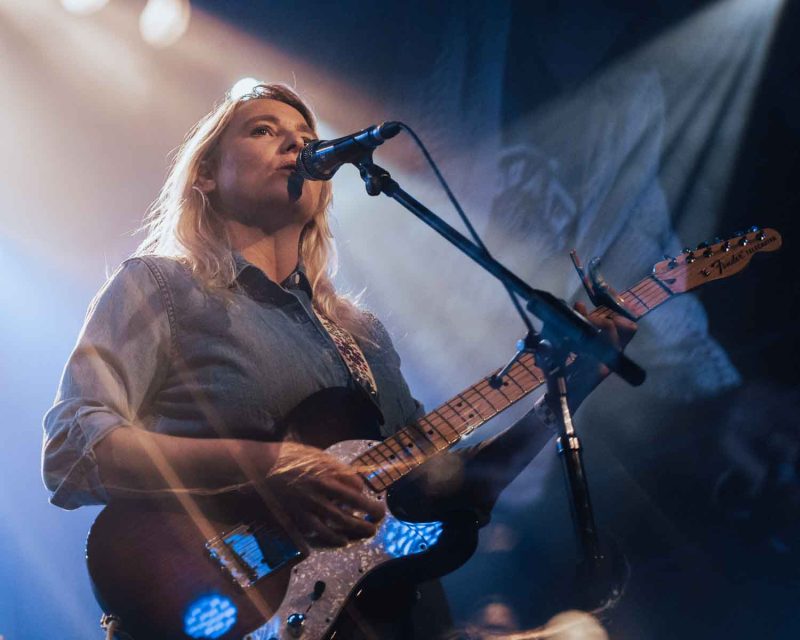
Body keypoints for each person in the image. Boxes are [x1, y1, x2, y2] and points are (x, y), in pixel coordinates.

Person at [42, 82, 635, 639]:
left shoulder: (361, 334)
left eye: (305, 134)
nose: (296, 143)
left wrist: (568, 389)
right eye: (263, 130)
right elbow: (74, 449)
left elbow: (447, 485)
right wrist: (269, 466)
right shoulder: (162, 287)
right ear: (206, 176)